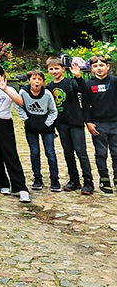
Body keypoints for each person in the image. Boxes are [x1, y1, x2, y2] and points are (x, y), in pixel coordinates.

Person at [46, 56, 94, 194]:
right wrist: (52, 126)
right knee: (68, 152)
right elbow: (50, 107)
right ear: (48, 71)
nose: (54, 71)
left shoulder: (71, 82)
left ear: (62, 69)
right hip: (61, 124)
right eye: (51, 69)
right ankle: (74, 180)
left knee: (81, 152)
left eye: (56, 68)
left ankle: (88, 181)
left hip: (75, 122)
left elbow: (83, 89)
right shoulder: (49, 87)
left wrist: (78, 76)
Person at [0, 63, 30, 202]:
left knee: (10, 154)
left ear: (2, 76)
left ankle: (20, 187)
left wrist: (4, 89)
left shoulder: (9, 89)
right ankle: (1, 183)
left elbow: (20, 102)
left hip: (4, 122)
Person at [76, 55, 117, 194]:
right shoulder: (88, 84)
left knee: (116, 153)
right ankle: (104, 179)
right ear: (91, 69)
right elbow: (85, 105)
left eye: (101, 65)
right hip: (98, 124)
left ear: (108, 66)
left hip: (115, 123)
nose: (99, 68)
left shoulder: (114, 81)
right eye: (95, 66)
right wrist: (88, 122)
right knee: (101, 153)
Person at [15, 69, 59, 192]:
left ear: (43, 82)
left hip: (46, 126)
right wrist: (26, 119)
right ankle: (37, 177)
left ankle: (54, 178)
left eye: (39, 79)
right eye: (34, 79)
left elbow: (53, 110)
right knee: (34, 152)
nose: (36, 82)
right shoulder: (24, 92)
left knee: (50, 152)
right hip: (31, 126)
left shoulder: (47, 94)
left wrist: (47, 123)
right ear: (29, 81)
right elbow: (19, 106)